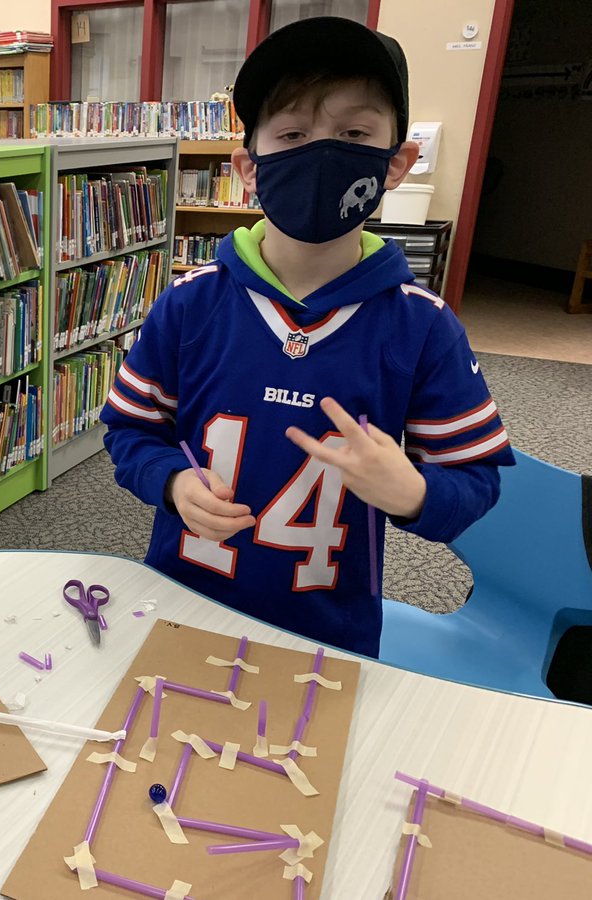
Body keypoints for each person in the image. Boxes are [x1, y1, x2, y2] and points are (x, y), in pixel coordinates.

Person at [101, 17, 513, 657]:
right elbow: (130, 431)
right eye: (292, 134)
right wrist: (172, 482)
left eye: (354, 133)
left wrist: (416, 494)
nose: (322, 153)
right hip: (179, 606)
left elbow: (475, 480)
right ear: (249, 167)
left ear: (397, 164)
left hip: (329, 632)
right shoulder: (189, 303)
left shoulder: (423, 327)